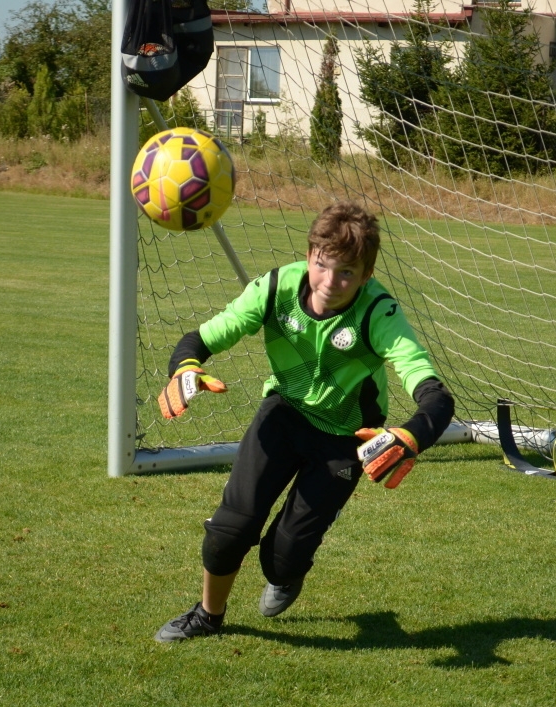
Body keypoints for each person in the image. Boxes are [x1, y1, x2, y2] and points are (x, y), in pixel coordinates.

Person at [153, 202, 455, 642]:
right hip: (283, 416)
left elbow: (433, 393)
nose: (331, 282)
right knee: (230, 529)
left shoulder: (379, 313)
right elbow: (203, 337)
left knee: (283, 558)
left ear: (366, 275)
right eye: (322, 264)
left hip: (346, 437)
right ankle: (207, 616)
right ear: (310, 253)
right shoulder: (276, 286)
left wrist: (410, 435)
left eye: (347, 273)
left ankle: (287, 573)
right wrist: (186, 368)